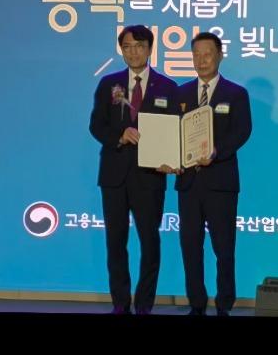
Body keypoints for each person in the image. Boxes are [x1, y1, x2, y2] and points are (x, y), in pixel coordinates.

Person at [89, 25, 178, 315]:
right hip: (114, 176)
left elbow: (175, 130)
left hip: (150, 176)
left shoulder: (167, 87)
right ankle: (120, 303)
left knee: (150, 242)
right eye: (127, 47)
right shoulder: (108, 84)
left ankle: (144, 304)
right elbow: (96, 125)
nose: (133, 52)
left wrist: (172, 157)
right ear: (121, 50)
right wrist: (120, 135)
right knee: (115, 243)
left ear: (150, 49)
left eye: (139, 46)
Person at [172, 31, 252, 316]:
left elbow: (242, 131)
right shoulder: (180, 93)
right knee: (190, 247)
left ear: (220, 56)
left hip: (221, 183)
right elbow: (172, 134)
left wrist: (217, 152)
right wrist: (170, 158)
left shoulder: (236, 94)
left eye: (207, 54)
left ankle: (224, 304)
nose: (201, 60)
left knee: (224, 248)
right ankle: (196, 303)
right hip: (188, 183)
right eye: (196, 54)